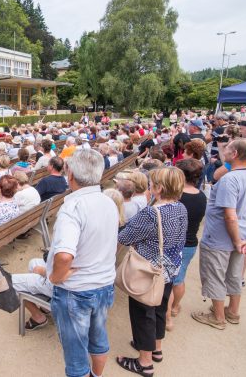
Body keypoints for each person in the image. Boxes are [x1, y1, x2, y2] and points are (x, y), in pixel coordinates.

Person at [47, 149, 117, 377]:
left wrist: (55, 278)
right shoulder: (108, 202)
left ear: (70, 176)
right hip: (104, 283)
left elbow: (65, 255)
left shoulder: (72, 208)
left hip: (77, 290)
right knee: (98, 338)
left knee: (76, 355)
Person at [192, 139, 246, 330]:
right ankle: (233, 311)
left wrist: (236, 241)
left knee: (215, 274)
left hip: (222, 236)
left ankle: (218, 316)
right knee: (234, 274)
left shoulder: (229, 179)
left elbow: (230, 215)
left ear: (234, 154)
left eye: (227, 149)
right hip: (243, 234)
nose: (223, 152)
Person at [116, 167, 187, 375]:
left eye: (152, 183)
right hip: (170, 267)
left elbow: (124, 237)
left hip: (148, 271)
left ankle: (145, 362)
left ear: (159, 188)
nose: (150, 186)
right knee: (160, 307)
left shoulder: (151, 213)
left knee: (143, 312)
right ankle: (156, 348)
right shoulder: (180, 207)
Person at [166, 159, 207, 331]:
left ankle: (167, 317)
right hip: (190, 242)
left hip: (173, 243)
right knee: (179, 277)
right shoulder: (201, 196)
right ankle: (175, 306)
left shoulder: (176, 197)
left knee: (167, 280)